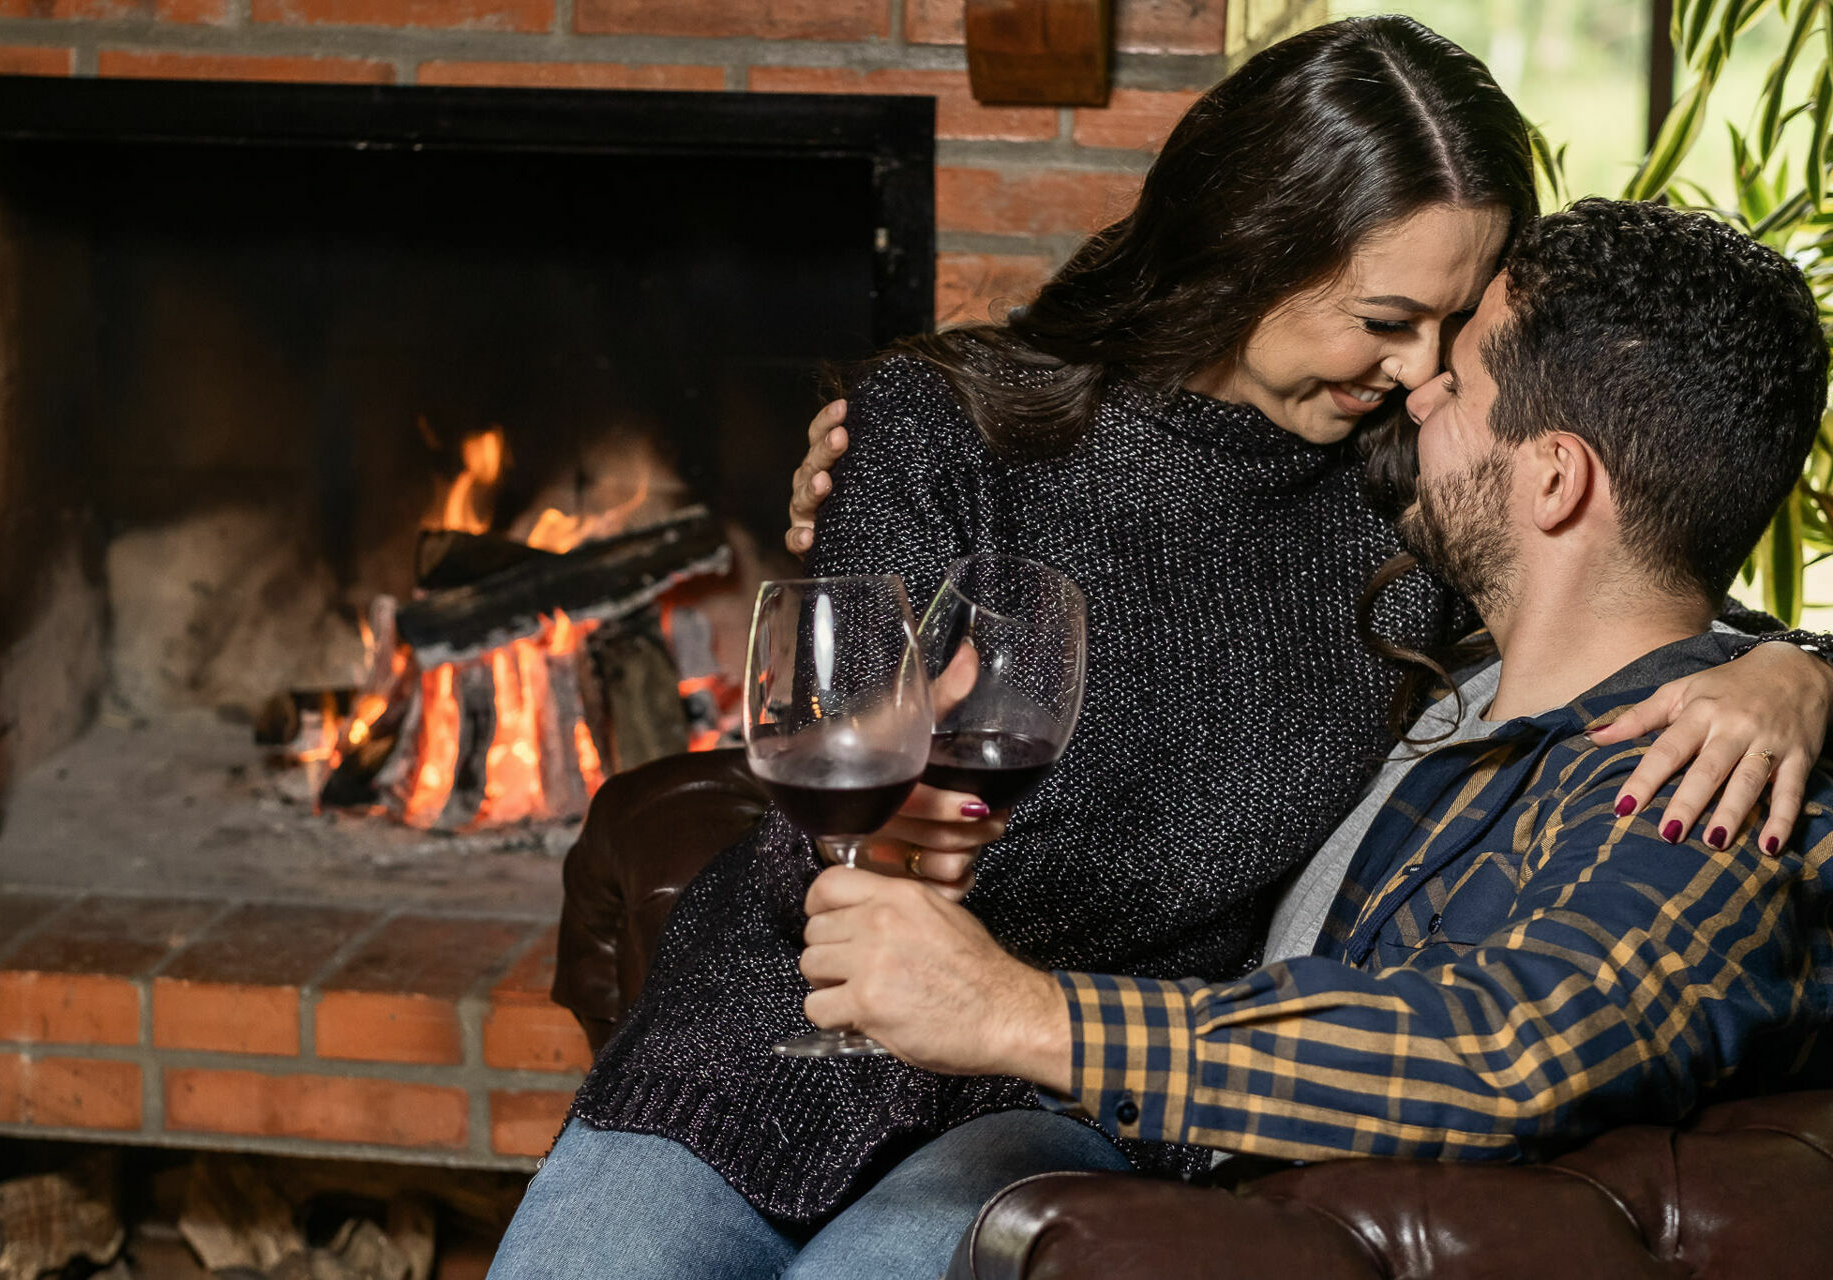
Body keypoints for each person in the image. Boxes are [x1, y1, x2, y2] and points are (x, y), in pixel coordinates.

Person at [489, 19, 1833, 1280]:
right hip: (766, 1035)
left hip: (1062, 1095)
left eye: (1452, 329)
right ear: (1253, 245)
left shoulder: (1405, 514)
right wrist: (914, 817)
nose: (1422, 374)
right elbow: (817, 845)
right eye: (1386, 322)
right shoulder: (948, 424)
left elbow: (1631, 575)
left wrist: (1803, 674)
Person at [799, 198, 1833, 1163]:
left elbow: (1516, 1046)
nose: (1416, 388)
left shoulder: (1701, 778)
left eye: (1460, 383)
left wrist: (1016, 1012)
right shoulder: (1460, 667)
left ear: (1555, 478)